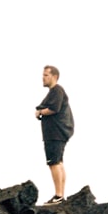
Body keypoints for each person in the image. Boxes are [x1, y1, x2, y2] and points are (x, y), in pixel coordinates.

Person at [35, 65, 74, 204]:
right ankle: (61, 195)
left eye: (46, 75)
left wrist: (40, 112)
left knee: (54, 163)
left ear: (54, 77)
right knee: (58, 162)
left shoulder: (57, 90)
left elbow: (53, 108)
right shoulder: (54, 91)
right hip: (57, 133)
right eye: (43, 75)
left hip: (55, 133)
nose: (43, 77)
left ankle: (58, 196)